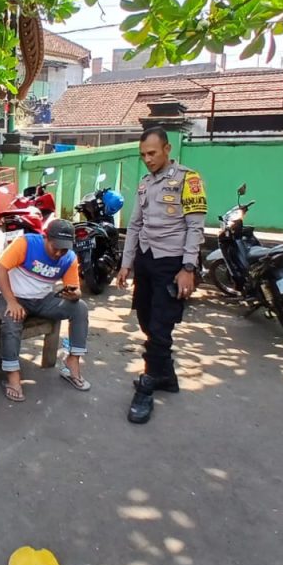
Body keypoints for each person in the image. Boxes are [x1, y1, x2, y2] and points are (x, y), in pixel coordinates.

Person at [116, 126, 207, 425]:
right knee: (145, 318)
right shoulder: (144, 184)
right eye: (143, 155)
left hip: (172, 262)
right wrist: (126, 264)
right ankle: (165, 376)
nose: (147, 159)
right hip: (145, 259)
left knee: (159, 325)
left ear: (167, 149)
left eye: (152, 153)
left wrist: (188, 269)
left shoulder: (188, 180)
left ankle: (147, 385)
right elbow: (134, 225)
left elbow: (195, 228)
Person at [0, 218, 90, 402]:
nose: (59, 253)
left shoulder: (69, 257)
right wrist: (11, 301)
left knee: (80, 308)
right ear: (45, 237)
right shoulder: (26, 243)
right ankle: (13, 376)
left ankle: (72, 363)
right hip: (14, 297)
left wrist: (74, 294)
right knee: (11, 322)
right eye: (56, 247)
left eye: (64, 248)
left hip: (43, 299)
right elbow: (0, 268)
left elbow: (75, 288)